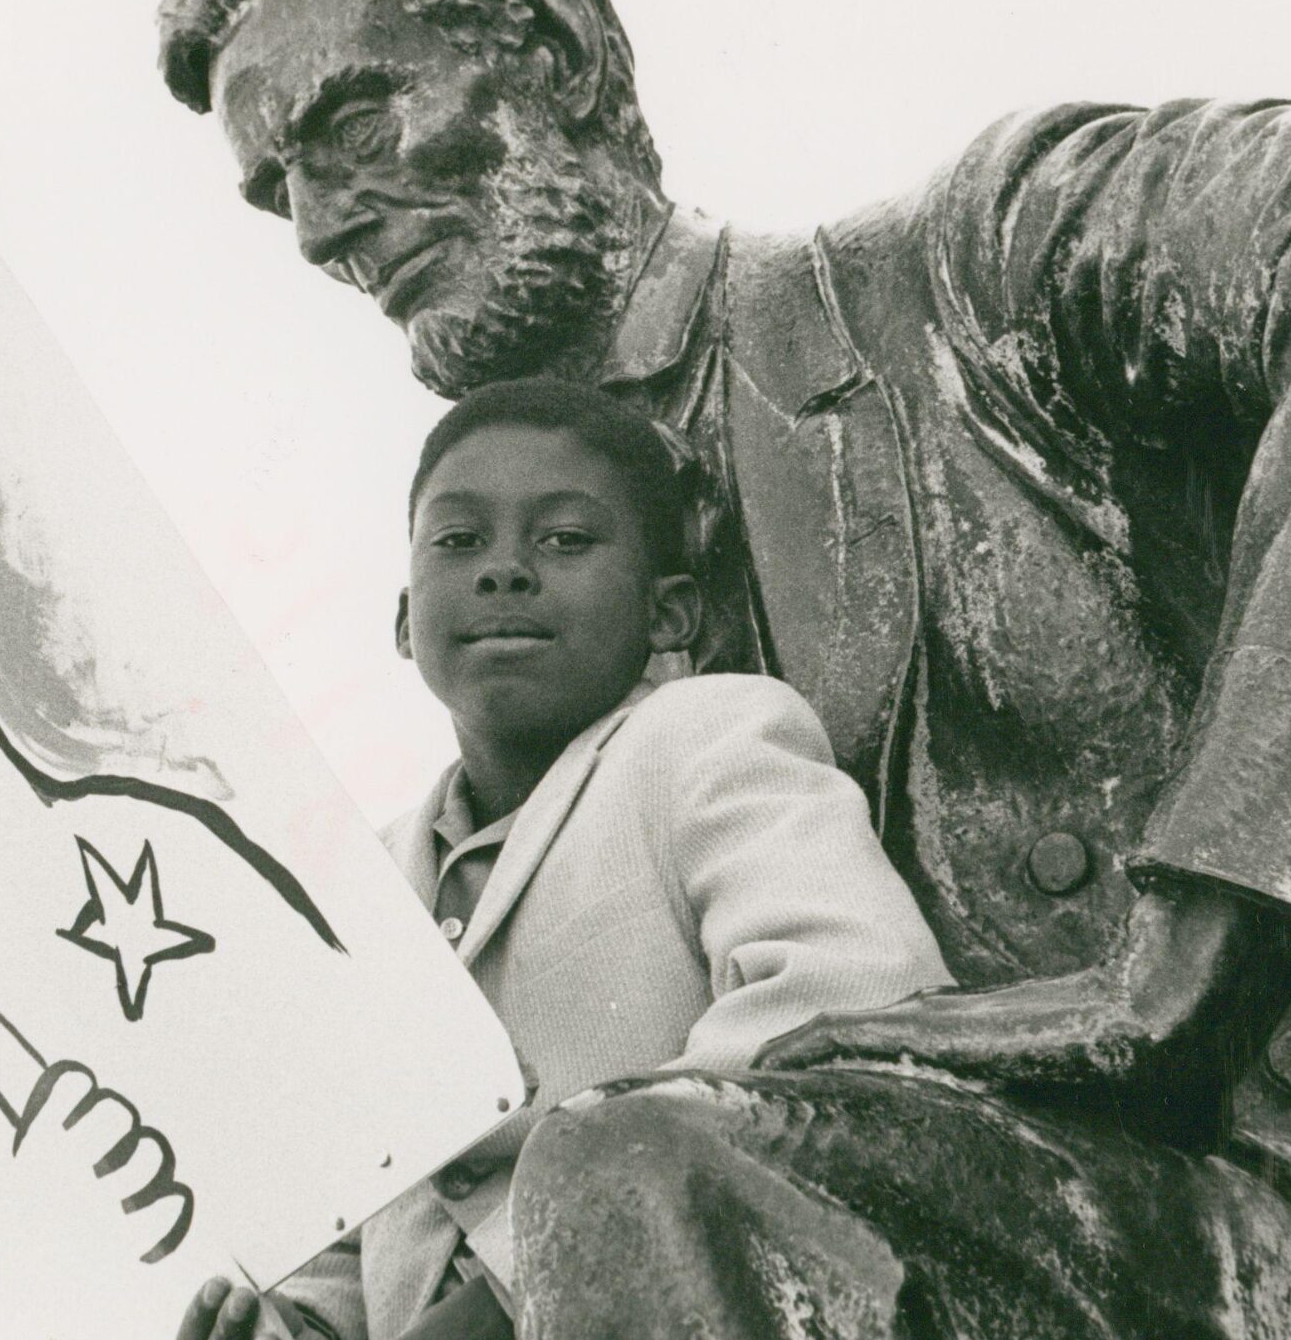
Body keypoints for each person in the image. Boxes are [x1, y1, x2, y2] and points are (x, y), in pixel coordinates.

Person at [156, 0, 1291, 1335]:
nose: (317, 224)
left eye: (352, 121)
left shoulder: (971, 280)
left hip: (1276, 1208)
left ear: (553, 55)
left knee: (641, 1169)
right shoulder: (503, 704)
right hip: (789, 1256)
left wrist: (1202, 949)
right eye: (274, 185)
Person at [177, 378, 950, 1340]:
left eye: (565, 540)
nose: (505, 571)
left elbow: (859, 1003)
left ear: (670, 617)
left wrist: (517, 1294)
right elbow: (357, 1213)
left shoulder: (704, 736)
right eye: (459, 542)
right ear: (405, 618)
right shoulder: (358, 889)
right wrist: (294, 1323)